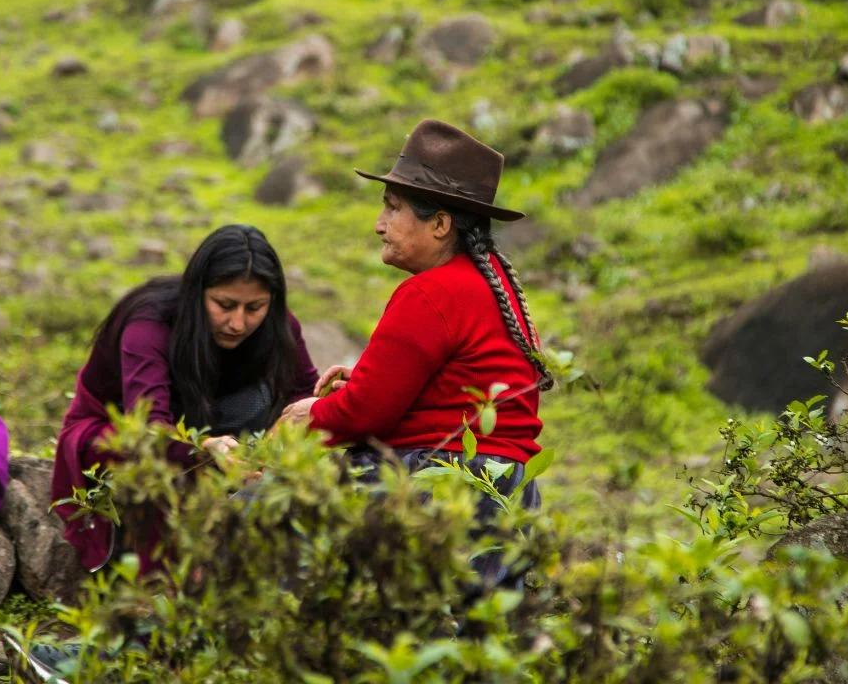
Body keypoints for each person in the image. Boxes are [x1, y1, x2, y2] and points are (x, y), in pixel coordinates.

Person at [279, 119, 553, 587]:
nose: (379, 225)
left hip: (445, 485)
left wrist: (309, 417)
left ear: (440, 224)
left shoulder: (431, 293)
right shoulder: (491, 283)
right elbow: (437, 393)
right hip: (505, 493)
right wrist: (365, 380)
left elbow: (366, 415)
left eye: (392, 208)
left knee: (267, 519)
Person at [50, 224, 319, 574]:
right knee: (157, 467)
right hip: (120, 434)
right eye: (224, 305)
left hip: (220, 433)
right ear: (198, 293)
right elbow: (149, 431)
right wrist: (205, 449)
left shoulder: (279, 324)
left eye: (254, 307)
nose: (237, 323)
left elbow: (304, 393)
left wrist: (281, 440)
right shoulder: (149, 325)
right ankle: (163, 586)